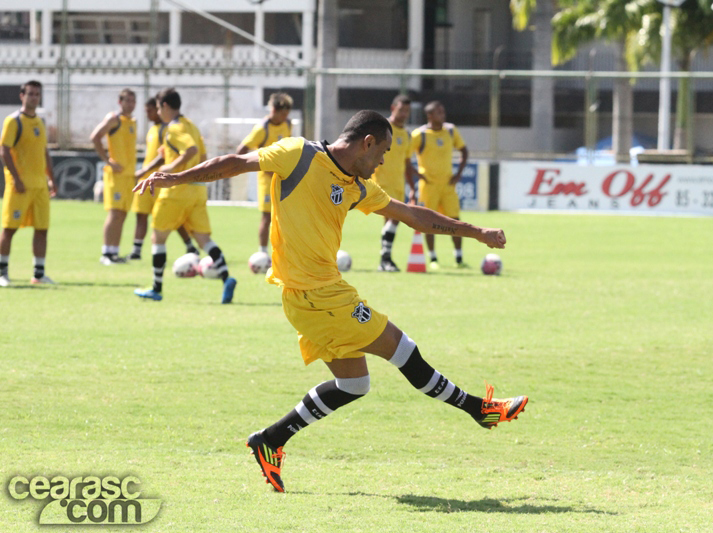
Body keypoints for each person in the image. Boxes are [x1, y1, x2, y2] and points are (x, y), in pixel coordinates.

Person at [134, 110, 527, 492]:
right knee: (403, 349)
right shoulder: (298, 154)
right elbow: (236, 163)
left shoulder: (357, 186)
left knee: (353, 384)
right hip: (318, 295)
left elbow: (412, 215)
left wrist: (475, 232)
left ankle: (271, 440)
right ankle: (479, 410)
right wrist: (177, 177)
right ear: (367, 142)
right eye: (383, 152)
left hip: (309, 298)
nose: (383, 162)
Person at [133, 87, 236, 303]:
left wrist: (172, 169)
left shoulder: (173, 128)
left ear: (165, 106)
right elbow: (202, 157)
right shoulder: (191, 126)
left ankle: (156, 288)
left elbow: (191, 151)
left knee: (158, 238)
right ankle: (227, 278)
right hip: (197, 190)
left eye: (159, 108)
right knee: (203, 239)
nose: (158, 112)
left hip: (176, 191)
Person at [0, 80, 56, 287]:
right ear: (22, 96)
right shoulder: (14, 121)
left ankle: (39, 274)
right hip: (20, 186)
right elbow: (4, 150)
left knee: (42, 228)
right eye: (30, 94)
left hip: (40, 186)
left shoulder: (39, 122)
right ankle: (2, 272)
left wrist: (51, 178)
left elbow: (44, 151)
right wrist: (16, 178)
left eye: (37, 94)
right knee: (9, 228)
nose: (34, 97)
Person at [128, 97, 198, 261]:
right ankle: (136, 251)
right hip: (147, 179)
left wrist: (146, 169)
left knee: (170, 217)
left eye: (152, 110)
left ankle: (190, 246)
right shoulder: (153, 130)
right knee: (141, 214)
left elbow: (164, 155)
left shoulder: (169, 129)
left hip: (160, 180)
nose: (149, 114)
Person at [410, 101, 469, 269]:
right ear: (429, 116)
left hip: (448, 185)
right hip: (428, 186)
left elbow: (464, 151)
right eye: (439, 112)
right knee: (429, 222)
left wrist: (458, 174)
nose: (443, 115)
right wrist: (418, 174)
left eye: (443, 112)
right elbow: (405, 158)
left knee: (455, 220)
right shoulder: (419, 135)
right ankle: (433, 258)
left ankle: (459, 258)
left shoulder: (450, 131)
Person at [235, 92, 293, 259]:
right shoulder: (262, 128)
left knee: (287, 216)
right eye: (283, 113)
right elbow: (241, 149)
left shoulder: (288, 124)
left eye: (287, 114)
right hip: (267, 180)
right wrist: (252, 165)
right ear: (274, 110)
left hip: (285, 177)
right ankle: (262, 254)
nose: (285, 117)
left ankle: (286, 252)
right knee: (267, 216)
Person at [370, 94, 417, 271]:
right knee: (396, 217)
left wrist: (412, 188)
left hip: (398, 185)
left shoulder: (407, 135)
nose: (404, 114)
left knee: (392, 220)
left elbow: (407, 163)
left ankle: (385, 260)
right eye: (401, 110)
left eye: (407, 111)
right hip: (381, 182)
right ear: (393, 108)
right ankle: (385, 259)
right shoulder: (383, 128)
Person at [90, 88, 137, 265]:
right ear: (120, 102)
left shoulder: (132, 122)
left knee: (122, 214)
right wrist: (108, 161)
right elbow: (95, 137)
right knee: (114, 213)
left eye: (133, 101)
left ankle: (114, 253)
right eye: (127, 100)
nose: (130, 104)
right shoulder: (113, 119)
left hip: (128, 175)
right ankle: (106, 254)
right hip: (116, 175)